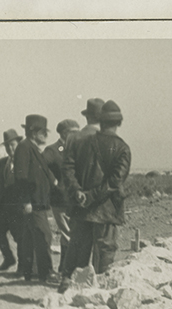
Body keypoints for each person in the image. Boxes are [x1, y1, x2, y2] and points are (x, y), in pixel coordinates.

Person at [59, 100, 130, 293]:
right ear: (120, 123)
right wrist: (91, 196)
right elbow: (114, 182)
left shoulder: (79, 142)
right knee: (105, 252)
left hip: (81, 208)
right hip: (106, 210)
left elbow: (67, 169)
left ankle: (68, 289)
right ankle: (100, 293)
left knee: (77, 249)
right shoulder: (123, 149)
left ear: (100, 120)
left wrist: (79, 193)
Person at [57, 98, 105, 282]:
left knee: (77, 245)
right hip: (101, 202)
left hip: (78, 202)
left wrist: (77, 192)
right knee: (102, 248)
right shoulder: (108, 139)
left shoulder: (73, 138)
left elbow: (67, 171)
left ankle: (68, 281)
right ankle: (99, 286)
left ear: (87, 117)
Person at [13, 114, 58, 283]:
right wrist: (26, 201)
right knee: (43, 235)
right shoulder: (24, 148)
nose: (45, 135)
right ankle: (46, 273)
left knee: (32, 237)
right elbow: (21, 177)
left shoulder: (31, 148)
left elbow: (41, 171)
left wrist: (53, 180)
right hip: (33, 203)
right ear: (33, 132)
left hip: (37, 202)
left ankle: (30, 273)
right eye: (42, 132)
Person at [43, 119, 80, 274]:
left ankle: (65, 269)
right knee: (68, 235)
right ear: (65, 133)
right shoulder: (53, 150)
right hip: (61, 200)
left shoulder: (78, 149)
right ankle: (67, 271)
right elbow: (41, 165)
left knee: (72, 236)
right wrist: (54, 182)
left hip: (76, 200)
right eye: (75, 132)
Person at [0, 128, 24, 271]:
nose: (10, 149)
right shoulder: (2, 163)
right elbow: (1, 185)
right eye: (7, 146)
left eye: (13, 145)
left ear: (18, 145)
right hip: (5, 205)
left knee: (20, 235)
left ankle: (24, 266)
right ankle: (9, 258)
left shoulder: (25, 161)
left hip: (19, 206)